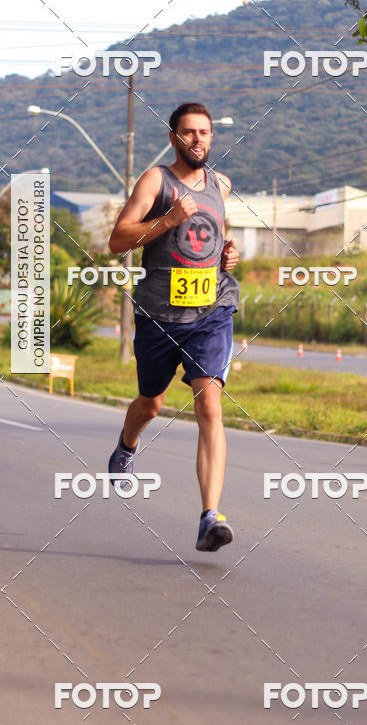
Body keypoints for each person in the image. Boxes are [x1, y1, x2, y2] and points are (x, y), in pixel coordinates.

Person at [108, 102, 240, 552]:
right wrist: (166, 220)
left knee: (210, 406)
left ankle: (210, 517)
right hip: (158, 316)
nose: (197, 139)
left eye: (204, 132)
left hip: (210, 312)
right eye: (189, 132)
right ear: (173, 138)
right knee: (151, 404)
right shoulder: (156, 181)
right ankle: (127, 445)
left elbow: (212, 236)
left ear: (211, 137)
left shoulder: (221, 185)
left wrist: (227, 256)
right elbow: (117, 240)